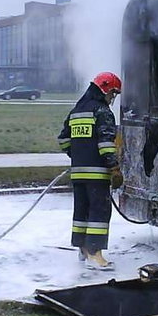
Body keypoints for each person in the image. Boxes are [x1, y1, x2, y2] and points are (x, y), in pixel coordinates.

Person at [57, 72, 123, 269]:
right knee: (99, 212)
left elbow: (63, 140)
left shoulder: (76, 111)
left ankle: (83, 250)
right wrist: (115, 168)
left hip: (78, 173)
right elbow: (105, 144)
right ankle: (95, 254)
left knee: (81, 211)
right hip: (97, 174)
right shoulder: (102, 112)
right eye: (112, 93)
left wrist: (78, 155)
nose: (112, 98)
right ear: (104, 89)